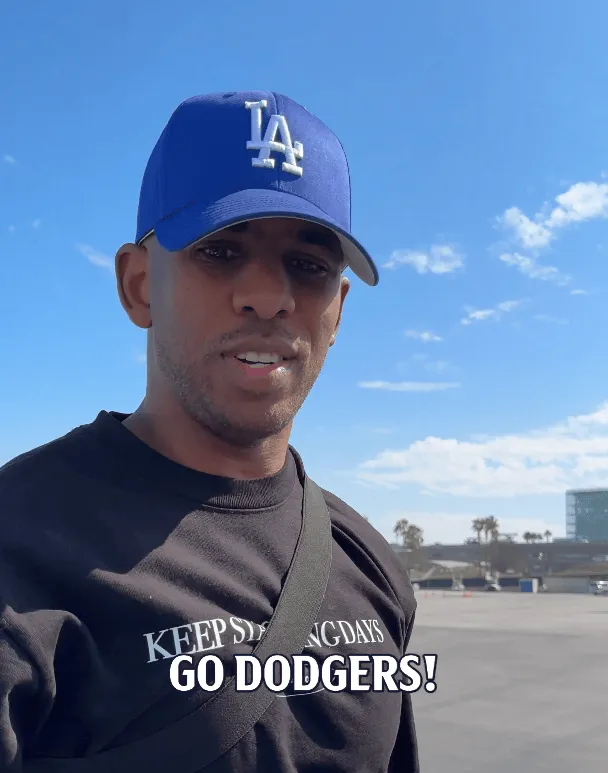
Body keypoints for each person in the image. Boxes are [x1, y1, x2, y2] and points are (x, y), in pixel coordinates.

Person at [0, 91, 419, 772]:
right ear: (139, 285)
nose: (269, 296)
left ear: (337, 311)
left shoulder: (369, 564)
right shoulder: (21, 548)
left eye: (309, 265)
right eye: (221, 250)